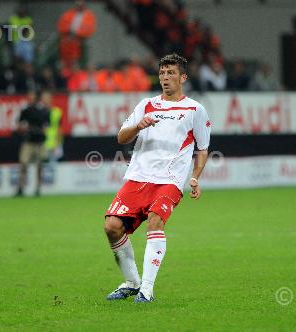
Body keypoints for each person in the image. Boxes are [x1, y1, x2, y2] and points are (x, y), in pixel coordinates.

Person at [103, 53, 211, 302]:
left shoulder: (195, 109)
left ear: (183, 77)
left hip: (169, 180)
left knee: (155, 221)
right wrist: (139, 125)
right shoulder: (146, 105)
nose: (165, 78)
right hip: (138, 177)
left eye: (171, 73)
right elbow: (121, 137)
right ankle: (132, 282)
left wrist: (194, 177)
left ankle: (147, 290)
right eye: (162, 73)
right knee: (111, 227)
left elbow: (202, 149)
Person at [16, 90, 50, 196]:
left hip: (40, 141)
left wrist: (40, 130)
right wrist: (25, 128)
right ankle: (21, 187)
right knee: (23, 164)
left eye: (31, 96)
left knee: (39, 165)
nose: (29, 98)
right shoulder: (26, 110)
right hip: (29, 141)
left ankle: (38, 188)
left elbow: (46, 125)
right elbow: (20, 124)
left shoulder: (44, 111)